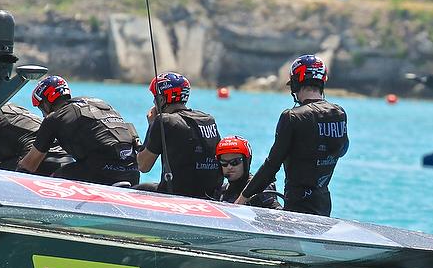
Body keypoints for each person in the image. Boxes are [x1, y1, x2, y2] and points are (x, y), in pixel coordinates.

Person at [235, 54, 348, 216]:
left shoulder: (293, 116)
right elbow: (342, 149)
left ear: (296, 83)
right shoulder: (339, 113)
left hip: (298, 205)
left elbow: (272, 165)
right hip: (323, 203)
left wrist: (243, 197)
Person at [18, 75, 140, 186]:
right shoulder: (99, 103)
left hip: (102, 173)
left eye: (40, 107)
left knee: (54, 180)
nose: (43, 114)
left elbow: (30, 165)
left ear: (46, 102)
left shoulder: (54, 118)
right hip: (133, 174)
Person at [136, 72, 223, 198]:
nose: (154, 101)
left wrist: (152, 125)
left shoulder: (164, 121)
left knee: (131, 190)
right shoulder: (208, 119)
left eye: (155, 97)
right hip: (208, 196)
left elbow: (143, 166)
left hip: (175, 196)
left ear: (161, 99)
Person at [212, 136, 280, 209]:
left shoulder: (260, 189)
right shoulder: (221, 191)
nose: (229, 167)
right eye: (224, 163)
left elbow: (278, 214)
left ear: (246, 162)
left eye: (235, 162)